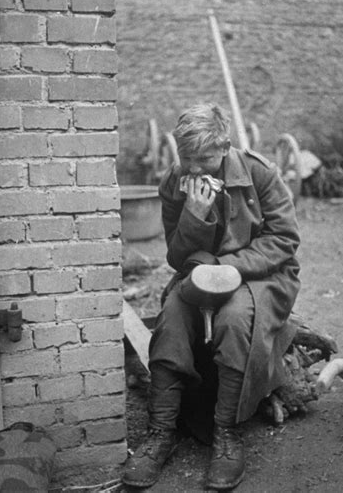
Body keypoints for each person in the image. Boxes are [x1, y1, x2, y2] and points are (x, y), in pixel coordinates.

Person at [122, 103, 301, 490]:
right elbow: (175, 256)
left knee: (235, 319)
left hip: (261, 275)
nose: (196, 168)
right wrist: (194, 216)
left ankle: (226, 433)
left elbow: (285, 240)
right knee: (172, 315)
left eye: (205, 158)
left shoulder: (259, 174)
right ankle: (161, 433)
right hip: (199, 272)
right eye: (189, 158)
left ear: (224, 147)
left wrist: (233, 268)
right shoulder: (175, 180)